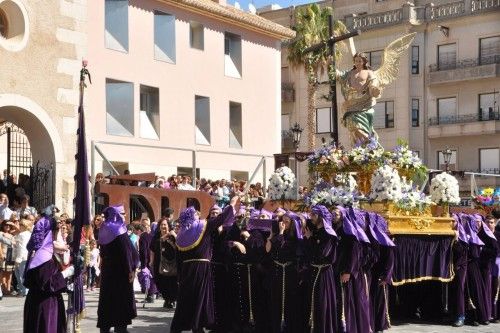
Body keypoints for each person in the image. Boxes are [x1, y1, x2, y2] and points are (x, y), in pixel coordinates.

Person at [170, 196, 240, 333]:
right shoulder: (202, 226)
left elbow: (178, 258)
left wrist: (179, 277)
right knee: (200, 299)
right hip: (201, 269)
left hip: (186, 271)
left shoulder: (181, 234)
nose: (199, 215)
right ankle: (197, 327)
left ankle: (178, 328)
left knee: (186, 301)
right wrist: (232, 203)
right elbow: (221, 218)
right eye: (196, 213)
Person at [23, 214, 75, 333]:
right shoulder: (43, 255)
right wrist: (66, 273)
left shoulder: (38, 251)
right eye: (56, 231)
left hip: (37, 301)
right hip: (45, 304)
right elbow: (49, 284)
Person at [97, 205, 139, 333]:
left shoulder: (103, 228)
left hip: (108, 272)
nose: (125, 216)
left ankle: (105, 327)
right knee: (120, 303)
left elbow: (103, 252)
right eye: (123, 213)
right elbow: (126, 253)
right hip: (120, 273)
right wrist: (130, 270)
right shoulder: (119, 230)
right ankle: (120, 328)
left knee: (107, 302)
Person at [335, 206, 371, 333]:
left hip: (350, 274)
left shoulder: (349, 232)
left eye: (337, 214)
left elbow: (354, 254)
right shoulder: (336, 230)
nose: (334, 216)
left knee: (352, 301)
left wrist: (348, 271)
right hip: (339, 270)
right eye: (333, 214)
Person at [302, 205, 338, 333]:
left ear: (321, 217)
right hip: (313, 271)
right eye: (310, 214)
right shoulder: (314, 232)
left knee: (322, 304)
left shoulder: (329, 235)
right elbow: (308, 252)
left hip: (323, 273)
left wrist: (310, 238)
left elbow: (321, 254)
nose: (311, 217)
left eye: (313, 215)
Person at [266, 211, 303, 333]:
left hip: (289, 274)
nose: (284, 224)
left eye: (287, 222)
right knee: (276, 302)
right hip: (277, 273)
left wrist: (280, 234)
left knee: (289, 303)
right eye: (283, 221)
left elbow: (283, 248)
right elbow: (269, 250)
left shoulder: (295, 238)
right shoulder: (278, 234)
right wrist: (275, 235)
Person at [150, 217, 177, 308]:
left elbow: (179, 246)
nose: (163, 226)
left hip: (171, 262)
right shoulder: (156, 236)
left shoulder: (173, 235)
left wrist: (173, 236)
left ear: (168, 226)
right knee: (160, 281)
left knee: (171, 281)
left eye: (165, 224)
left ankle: (172, 300)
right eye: (161, 225)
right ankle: (166, 298)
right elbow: (152, 249)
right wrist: (151, 261)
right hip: (159, 262)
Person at [14, 219, 32, 297]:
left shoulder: (22, 235)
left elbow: (22, 247)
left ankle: (23, 291)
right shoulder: (29, 234)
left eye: (21, 225)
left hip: (22, 257)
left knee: (20, 275)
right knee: (24, 274)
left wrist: (18, 259)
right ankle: (24, 290)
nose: (19, 226)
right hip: (28, 256)